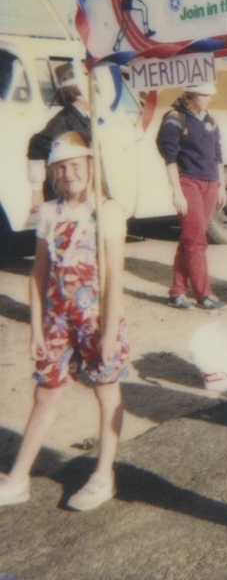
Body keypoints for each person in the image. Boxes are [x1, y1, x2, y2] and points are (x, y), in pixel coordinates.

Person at [0, 131, 129, 511]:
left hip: (96, 320)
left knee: (106, 394)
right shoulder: (50, 212)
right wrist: (36, 328)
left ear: (91, 165)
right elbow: (38, 274)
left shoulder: (107, 211)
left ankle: (103, 476)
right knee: (46, 394)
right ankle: (18, 478)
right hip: (57, 320)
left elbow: (115, 278)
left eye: (75, 165)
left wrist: (108, 333)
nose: (68, 173)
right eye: (61, 167)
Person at [156, 82, 226, 311]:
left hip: (211, 183)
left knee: (190, 237)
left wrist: (222, 186)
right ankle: (203, 293)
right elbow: (169, 157)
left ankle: (177, 291)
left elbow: (218, 156)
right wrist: (177, 191)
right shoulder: (175, 118)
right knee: (196, 240)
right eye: (205, 94)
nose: (209, 98)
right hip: (188, 183)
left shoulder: (211, 120)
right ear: (192, 95)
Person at [27, 62, 91, 213]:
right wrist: (37, 191)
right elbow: (36, 147)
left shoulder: (85, 119)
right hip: (66, 196)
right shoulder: (62, 121)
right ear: (78, 92)